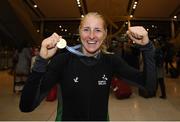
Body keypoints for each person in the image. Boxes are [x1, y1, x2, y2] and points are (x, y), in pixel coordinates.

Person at [19, 12, 156, 121]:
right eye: (86, 29)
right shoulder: (63, 61)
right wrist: (42, 60)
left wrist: (147, 47)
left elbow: (149, 86)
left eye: (97, 30)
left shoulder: (111, 61)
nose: (91, 36)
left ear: (105, 33)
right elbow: (26, 106)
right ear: (79, 31)